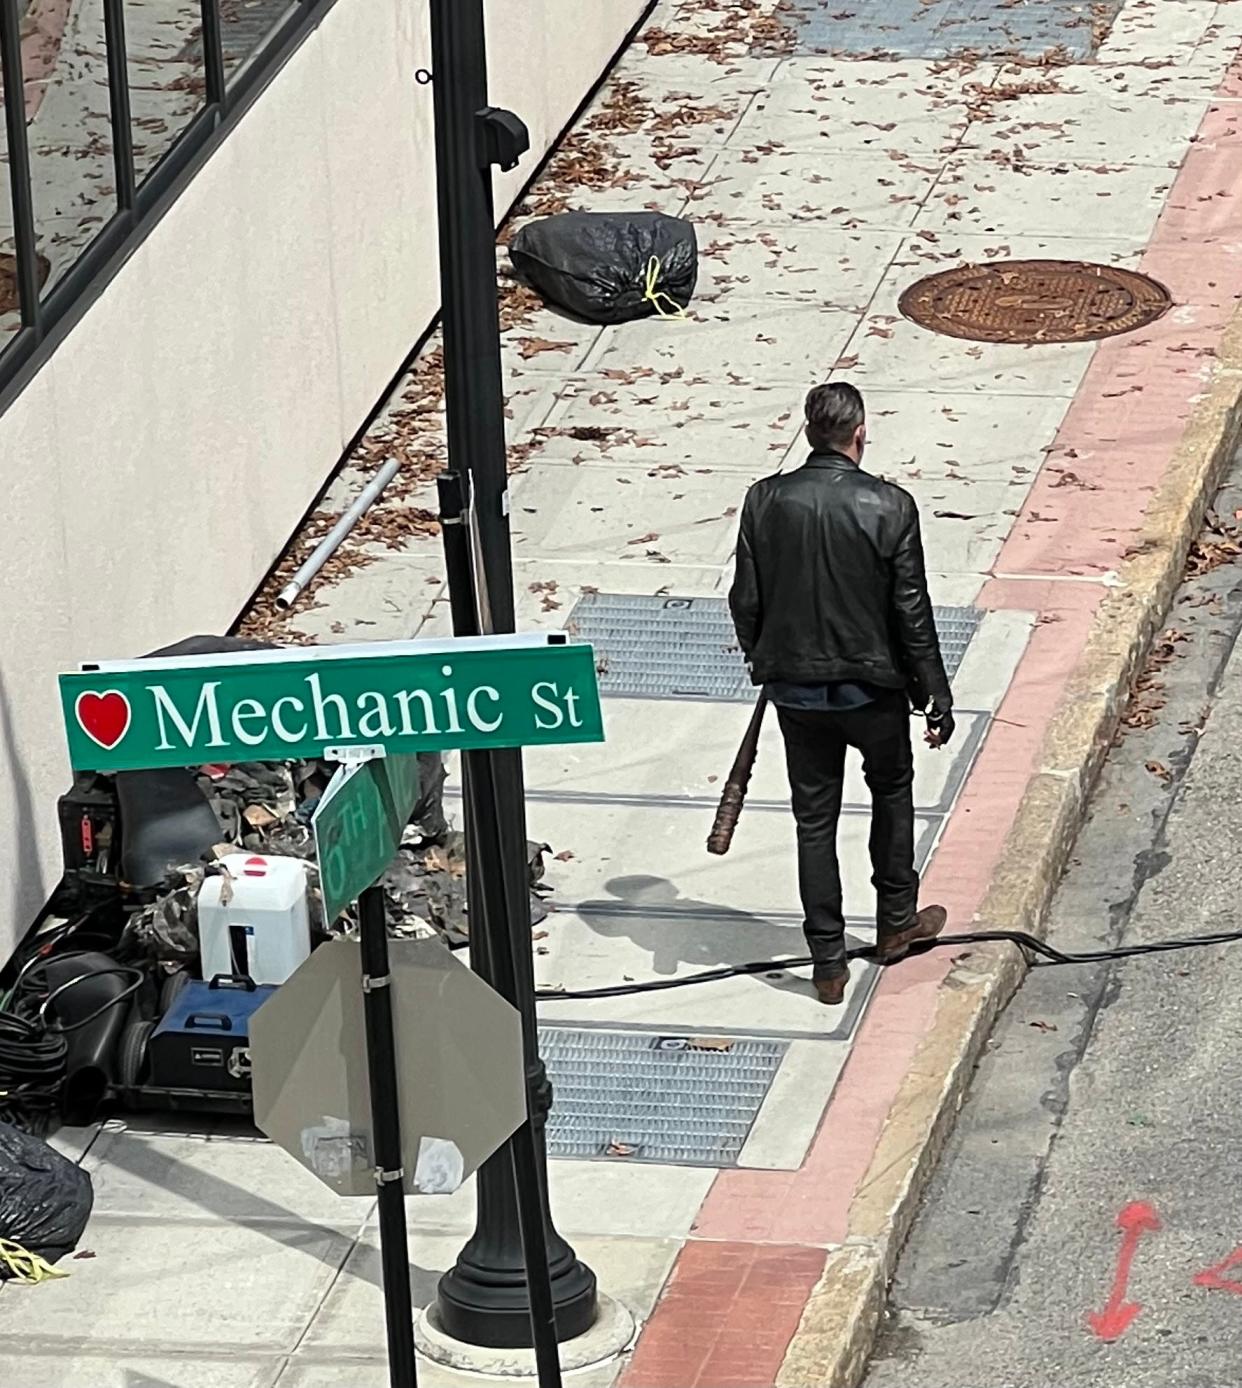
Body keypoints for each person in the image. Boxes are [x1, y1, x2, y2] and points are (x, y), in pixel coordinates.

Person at [728, 382, 954, 1006]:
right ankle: (895, 920)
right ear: (859, 435)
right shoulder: (891, 506)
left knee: (814, 820)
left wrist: (764, 659)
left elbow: (745, 599)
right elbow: (911, 610)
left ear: (809, 433)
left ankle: (827, 961)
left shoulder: (764, 500)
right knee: (891, 792)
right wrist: (934, 692)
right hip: (873, 691)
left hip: (797, 693)